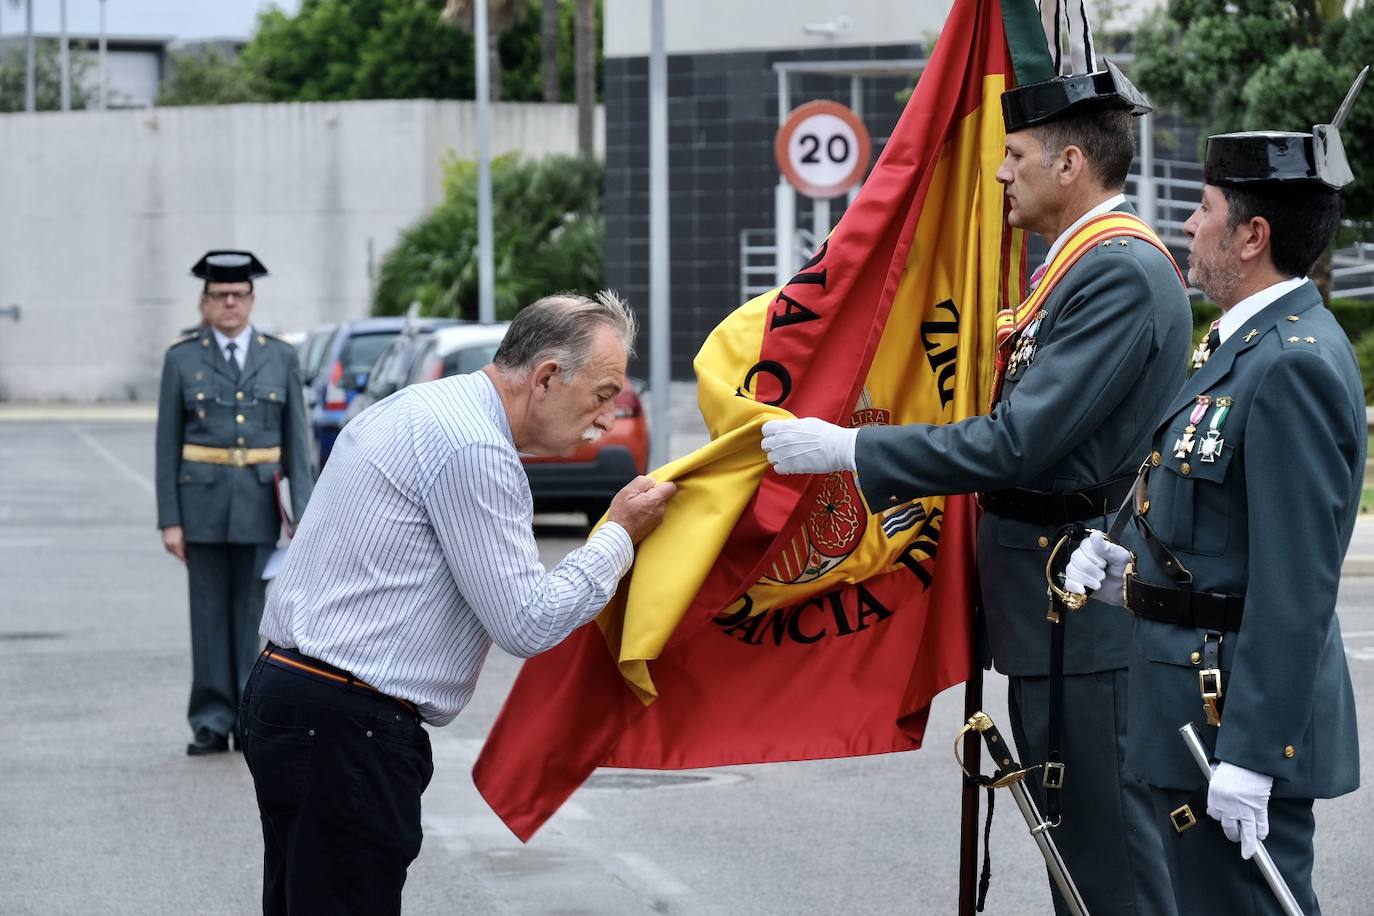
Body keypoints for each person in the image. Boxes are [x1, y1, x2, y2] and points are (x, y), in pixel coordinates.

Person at [760, 62, 1192, 914]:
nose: (999, 172)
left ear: (1069, 164)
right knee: (1078, 861)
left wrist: (851, 450)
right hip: (1048, 613)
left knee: (1112, 873)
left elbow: (1019, 444)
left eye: (1016, 154)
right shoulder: (1072, 267)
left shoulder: (1117, 272)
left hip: (1085, 626)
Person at [240, 291, 676, 915]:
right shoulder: (474, 446)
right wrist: (617, 536)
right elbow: (528, 621)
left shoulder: (420, 407)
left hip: (297, 696)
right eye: (603, 395)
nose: (606, 420)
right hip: (345, 726)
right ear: (548, 377)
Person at [1065, 97, 1366, 912]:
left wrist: (1254, 754)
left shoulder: (1292, 363)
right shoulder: (1245, 341)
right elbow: (1206, 504)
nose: (1187, 226)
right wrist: (1125, 555)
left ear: (1252, 236)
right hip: (1193, 708)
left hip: (1230, 724)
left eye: (1204, 209)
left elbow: (1295, 585)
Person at [155, 250, 313, 756]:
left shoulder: (280, 357)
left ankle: (249, 720)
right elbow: (166, 444)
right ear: (204, 302)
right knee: (207, 617)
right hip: (199, 509)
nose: (229, 303)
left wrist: (306, 520)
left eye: (238, 295)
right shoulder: (181, 358)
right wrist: (170, 520)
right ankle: (209, 719)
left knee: (253, 619)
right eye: (219, 296)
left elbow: (297, 446)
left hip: (257, 508)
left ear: (251, 299)